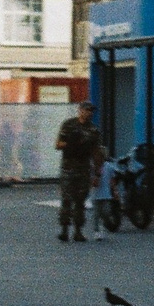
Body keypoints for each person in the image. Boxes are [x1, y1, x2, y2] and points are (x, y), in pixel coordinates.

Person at [54, 101, 102, 242]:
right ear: (80, 110)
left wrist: (97, 173)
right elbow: (58, 144)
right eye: (87, 110)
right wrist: (72, 143)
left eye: (91, 111)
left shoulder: (93, 130)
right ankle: (64, 229)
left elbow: (96, 152)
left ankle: (78, 231)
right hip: (68, 168)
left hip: (84, 169)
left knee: (80, 201)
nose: (90, 113)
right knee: (66, 199)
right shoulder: (69, 125)